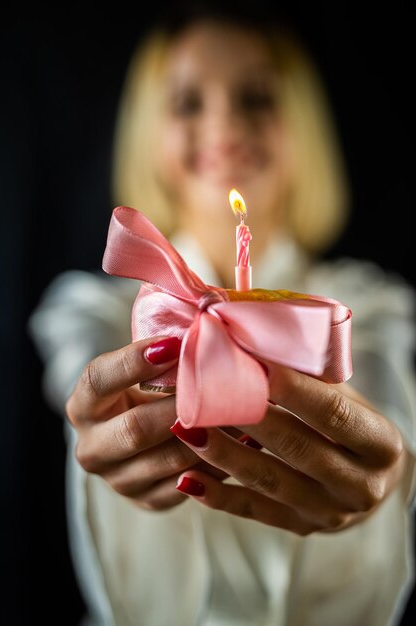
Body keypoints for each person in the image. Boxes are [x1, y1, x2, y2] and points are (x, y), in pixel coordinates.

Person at [29, 5, 416, 626]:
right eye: (187, 103)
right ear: (149, 136)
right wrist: (109, 438)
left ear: (301, 131)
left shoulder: (364, 305)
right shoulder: (96, 309)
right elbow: (86, 391)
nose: (225, 123)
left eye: (257, 97)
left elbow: (390, 414)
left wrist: (383, 480)